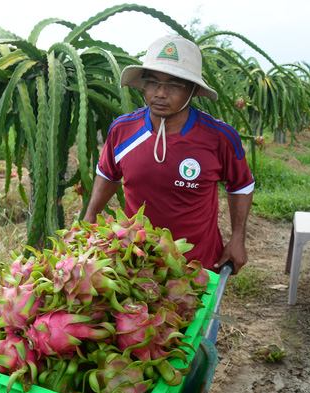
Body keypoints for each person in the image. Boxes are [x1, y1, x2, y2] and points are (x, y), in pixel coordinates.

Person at [84, 35, 254, 275]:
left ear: (193, 90)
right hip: (135, 262)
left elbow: (241, 186)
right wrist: (90, 217)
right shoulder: (123, 130)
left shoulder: (219, 137)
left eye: (174, 85)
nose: (160, 93)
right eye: (152, 83)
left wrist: (238, 238)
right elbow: (108, 174)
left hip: (197, 264)